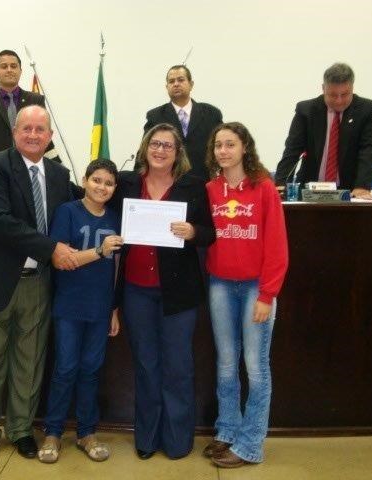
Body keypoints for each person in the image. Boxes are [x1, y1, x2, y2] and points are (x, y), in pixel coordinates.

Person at [0, 105, 76, 464]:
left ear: (50, 136)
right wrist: (51, 249)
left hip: (38, 283)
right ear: (14, 133)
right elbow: (0, 220)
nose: (33, 135)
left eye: (40, 129)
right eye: (26, 128)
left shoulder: (59, 175)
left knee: (30, 362)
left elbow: (87, 199)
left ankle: (22, 429)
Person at [110, 123, 216, 460]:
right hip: (136, 291)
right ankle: (147, 437)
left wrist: (193, 231)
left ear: (177, 152)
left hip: (179, 293)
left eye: (167, 145)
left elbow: (210, 232)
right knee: (146, 365)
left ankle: (177, 440)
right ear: (145, 147)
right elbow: (96, 195)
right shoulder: (127, 183)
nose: (159, 150)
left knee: (178, 367)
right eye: (154, 144)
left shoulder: (193, 186)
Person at [203, 122, 288, 468]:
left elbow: (277, 246)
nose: (223, 151)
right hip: (220, 285)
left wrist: (267, 295)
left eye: (230, 144)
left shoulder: (264, 187)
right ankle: (228, 429)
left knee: (255, 367)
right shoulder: (210, 189)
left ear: (244, 148)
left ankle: (251, 444)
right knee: (226, 364)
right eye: (218, 145)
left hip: (256, 288)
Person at [37, 159, 123, 464]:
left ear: (115, 188)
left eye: (109, 183)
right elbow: (63, 260)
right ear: (84, 181)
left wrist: (113, 308)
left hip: (100, 309)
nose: (102, 187)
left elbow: (116, 268)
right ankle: (53, 432)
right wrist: (98, 251)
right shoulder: (67, 212)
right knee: (65, 368)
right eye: (96, 180)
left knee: (91, 370)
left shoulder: (115, 218)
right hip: (70, 306)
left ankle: (87, 432)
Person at [274, 62, 372, 199]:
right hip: (309, 190)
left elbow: (369, 150)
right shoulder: (306, 111)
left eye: (345, 94)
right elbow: (292, 149)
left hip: (350, 191)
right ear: (323, 88)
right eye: (333, 95)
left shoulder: (367, 110)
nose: (339, 101)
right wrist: (281, 184)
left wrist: (362, 186)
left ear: (352, 88)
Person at [0, 49, 59, 161]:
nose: (9, 70)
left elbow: (44, 135)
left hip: (31, 165)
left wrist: (57, 165)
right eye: (4, 66)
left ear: (20, 71)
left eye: (13, 66)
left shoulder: (36, 100)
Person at [144, 65, 222, 180]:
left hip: (203, 181)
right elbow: (145, 150)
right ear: (167, 87)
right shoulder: (155, 116)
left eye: (180, 80)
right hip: (167, 182)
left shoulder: (211, 113)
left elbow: (221, 147)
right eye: (171, 81)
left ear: (191, 84)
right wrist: (138, 182)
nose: (176, 84)